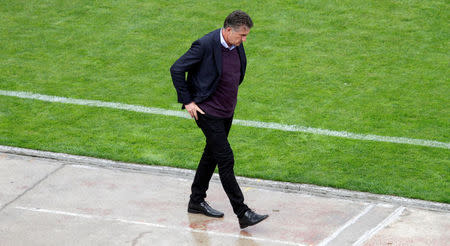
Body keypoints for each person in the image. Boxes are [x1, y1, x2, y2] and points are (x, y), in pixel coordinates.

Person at [170, 10, 268, 229]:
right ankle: (242, 212)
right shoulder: (204, 45)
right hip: (207, 112)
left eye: (246, 36)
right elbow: (176, 69)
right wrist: (188, 101)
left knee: (211, 154)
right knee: (225, 158)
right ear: (228, 30)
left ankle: (196, 201)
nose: (244, 40)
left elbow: (236, 74)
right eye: (241, 35)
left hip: (226, 110)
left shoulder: (236, 45)